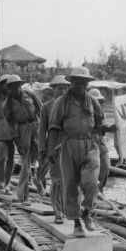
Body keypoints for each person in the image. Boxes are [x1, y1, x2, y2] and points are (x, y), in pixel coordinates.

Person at [47, 66, 113, 238]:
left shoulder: (92, 102)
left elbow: (99, 124)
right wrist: (49, 151)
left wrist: (109, 128)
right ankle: (76, 222)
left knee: (92, 182)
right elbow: (53, 128)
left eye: (85, 82)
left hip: (90, 144)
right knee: (70, 185)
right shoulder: (60, 103)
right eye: (79, 82)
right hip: (68, 145)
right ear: (72, 83)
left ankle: (87, 212)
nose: (82, 86)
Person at [3, 75, 41, 202]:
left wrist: (45, 129)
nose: (16, 89)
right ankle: (24, 196)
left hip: (36, 126)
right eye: (13, 86)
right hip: (22, 129)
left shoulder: (30, 95)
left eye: (18, 85)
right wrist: (16, 141)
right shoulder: (7, 104)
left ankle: (38, 179)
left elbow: (41, 110)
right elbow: (9, 124)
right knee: (25, 161)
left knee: (42, 157)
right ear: (9, 88)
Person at [38, 75, 70, 222]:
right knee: (57, 179)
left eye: (65, 87)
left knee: (69, 180)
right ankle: (58, 211)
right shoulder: (46, 107)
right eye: (59, 88)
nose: (62, 91)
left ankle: (66, 208)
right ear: (53, 89)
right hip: (54, 148)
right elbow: (42, 130)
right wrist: (42, 150)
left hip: (70, 147)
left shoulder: (72, 105)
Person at [87, 88, 112, 195]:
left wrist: (109, 128)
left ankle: (100, 189)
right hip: (88, 142)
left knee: (106, 165)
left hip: (100, 141)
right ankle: (89, 191)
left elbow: (101, 126)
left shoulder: (101, 112)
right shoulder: (85, 112)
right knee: (90, 168)